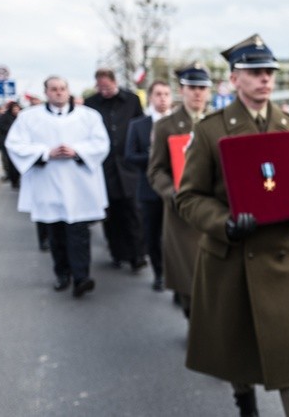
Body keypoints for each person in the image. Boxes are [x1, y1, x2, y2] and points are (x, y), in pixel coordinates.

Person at [176, 35, 289, 417]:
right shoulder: (211, 130)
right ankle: (245, 405)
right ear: (234, 78)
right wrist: (224, 223)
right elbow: (188, 197)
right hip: (232, 257)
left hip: (279, 258)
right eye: (255, 72)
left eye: (269, 72)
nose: (265, 80)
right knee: (236, 350)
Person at [5, 76, 109, 297]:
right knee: (56, 234)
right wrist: (45, 153)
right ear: (46, 92)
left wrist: (77, 151)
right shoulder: (28, 118)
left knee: (79, 233)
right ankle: (62, 274)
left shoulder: (89, 117)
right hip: (48, 185)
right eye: (54, 89)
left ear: (68, 91)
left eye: (63, 89)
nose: (59, 93)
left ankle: (82, 277)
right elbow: (14, 144)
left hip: (79, 186)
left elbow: (101, 143)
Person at [147, 64, 212, 314]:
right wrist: (173, 194)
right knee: (188, 277)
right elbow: (156, 170)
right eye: (192, 88)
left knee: (214, 278)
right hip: (181, 213)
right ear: (181, 90)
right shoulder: (166, 125)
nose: (197, 93)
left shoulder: (219, 121)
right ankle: (192, 318)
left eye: (202, 88)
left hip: (214, 209)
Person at [85, 68, 148, 271]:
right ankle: (117, 252)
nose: (103, 90)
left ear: (114, 82)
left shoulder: (131, 100)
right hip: (105, 168)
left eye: (107, 86)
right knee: (111, 214)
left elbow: (140, 126)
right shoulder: (91, 104)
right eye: (100, 87)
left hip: (128, 165)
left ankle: (138, 254)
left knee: (133, 211)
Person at [125, 80, 172, 291]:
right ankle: (159, 273)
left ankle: (177, 276)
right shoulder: (139, 125)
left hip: (176, 189)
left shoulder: (178, 123)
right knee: (153, 235)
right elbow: (129, 156)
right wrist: (153, 156)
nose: (162, 98)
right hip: (149, 189)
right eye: (158, 94)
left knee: (175, 237)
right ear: (151, 97)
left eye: (166, 94)